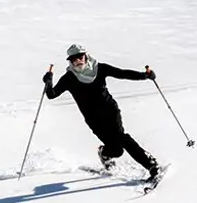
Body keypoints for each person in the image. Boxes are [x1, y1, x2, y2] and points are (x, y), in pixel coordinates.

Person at [44, 44, 162, 180]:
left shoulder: (100, 68)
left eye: (80, 57)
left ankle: (152, 166)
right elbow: (52, 94)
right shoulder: (68, 78)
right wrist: (48, 82)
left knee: (122, 138)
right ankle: (104, 153)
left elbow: (122, 73)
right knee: (117, 150)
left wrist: (145, 76)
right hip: (93, 119)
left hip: (110, 110)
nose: (77, 61)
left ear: (86, 56)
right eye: (73, 59)